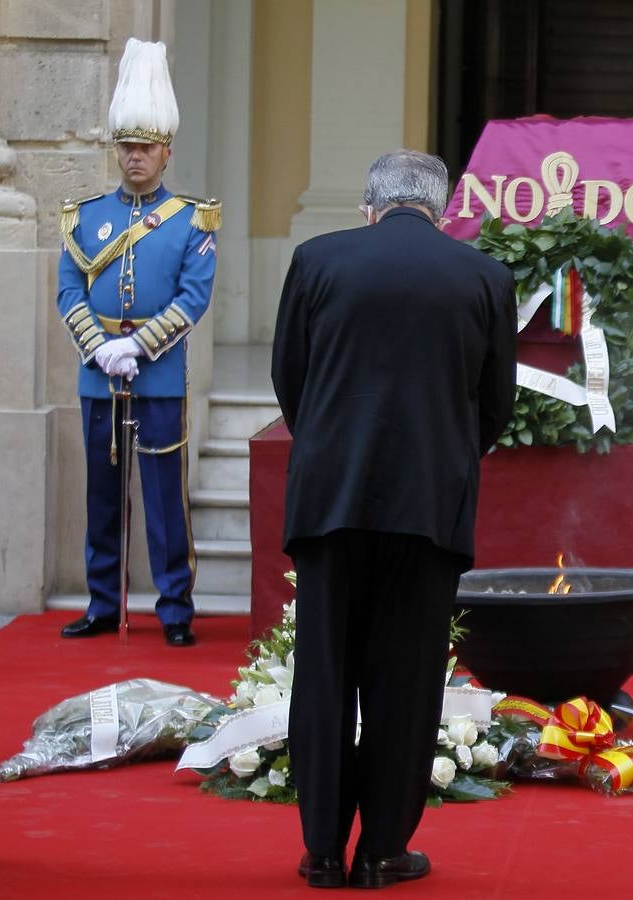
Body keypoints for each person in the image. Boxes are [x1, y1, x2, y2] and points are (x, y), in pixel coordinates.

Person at [273, 150, 516, 889]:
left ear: (369, 205)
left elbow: (291, 375)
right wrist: (441, 458)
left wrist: (330, 447)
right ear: (442, 210)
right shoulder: (484, 276)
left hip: (330, 498)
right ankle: (382, 850)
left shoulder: (317, 260)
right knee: (407, 682)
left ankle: (320, 849)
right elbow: (495, 403)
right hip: (427, 504)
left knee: (322, 673)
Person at [56, 39, 220, 647]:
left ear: (165, 152)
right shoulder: (84, 217)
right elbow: (69, 290)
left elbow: (193, 298)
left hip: (156, 377)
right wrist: (99, 346)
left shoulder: (190, 219)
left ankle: (175, 609)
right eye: (126, 147)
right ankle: (103, 602)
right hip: (97, 373)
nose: (134, 157)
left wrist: (139, 346)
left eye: (145, 147)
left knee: (162, 500)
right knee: (103, 494)